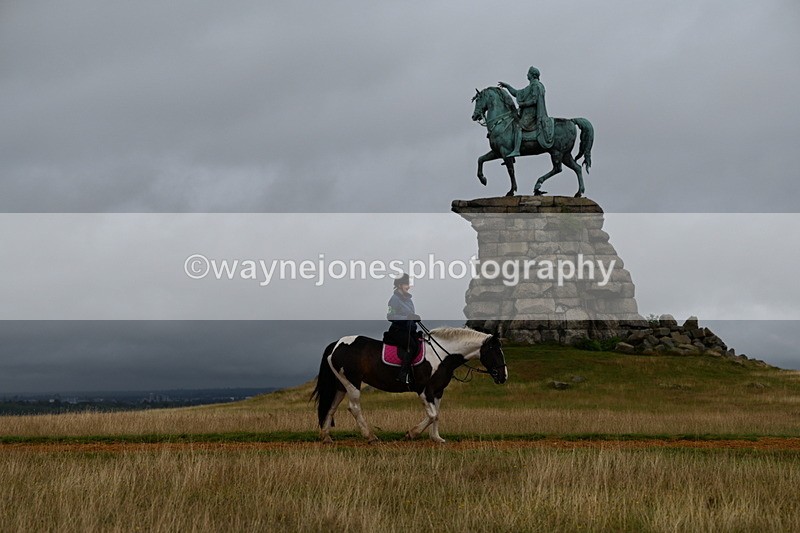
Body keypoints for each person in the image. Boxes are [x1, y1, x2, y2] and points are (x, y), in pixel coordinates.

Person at [498, 66, 554, 157]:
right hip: (526, 113)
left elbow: (534, 100)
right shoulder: (531, 86)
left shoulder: (536, 86)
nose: (527, 75)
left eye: (528, 73)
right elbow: (517, 93)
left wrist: (523, 104)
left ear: (532, 75)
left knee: (518, 126)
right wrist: (507, 86)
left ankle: (516, 150)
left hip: (532, 114)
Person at [385, 273, 420, 386]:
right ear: (399, 285)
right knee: (412, 346)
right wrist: (407, 318)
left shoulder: (409, 300)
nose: (408, 286)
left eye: (409, 284)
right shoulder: (394, 299)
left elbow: (410, 315)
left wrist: (415, 318)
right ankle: (403, 374)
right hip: (398, 331)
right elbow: (390, 316)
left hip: (409, 330)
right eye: (406, 284)